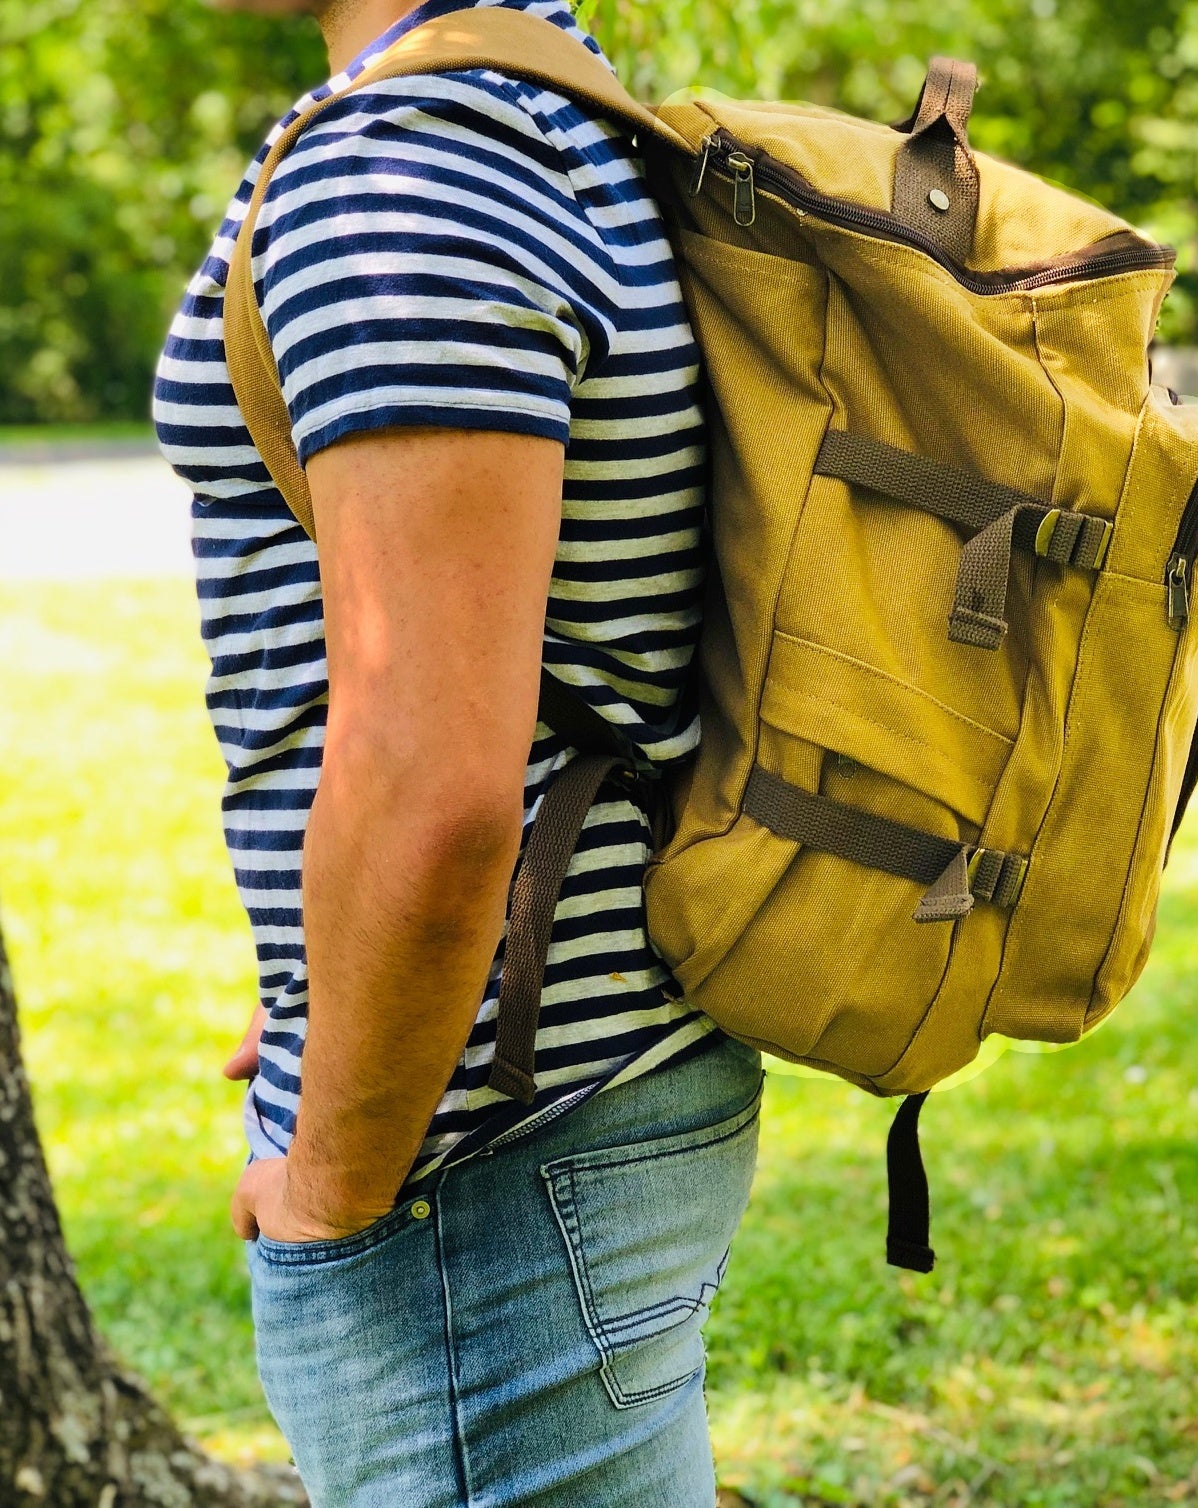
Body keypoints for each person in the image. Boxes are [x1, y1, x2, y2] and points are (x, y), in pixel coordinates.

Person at [152, 0, 762, 1502]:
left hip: (471, 1162)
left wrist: (333, 1188)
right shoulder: (539, 103)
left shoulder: (407, 166)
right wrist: (330, 952)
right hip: (563, 1089)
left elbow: (439, 789)